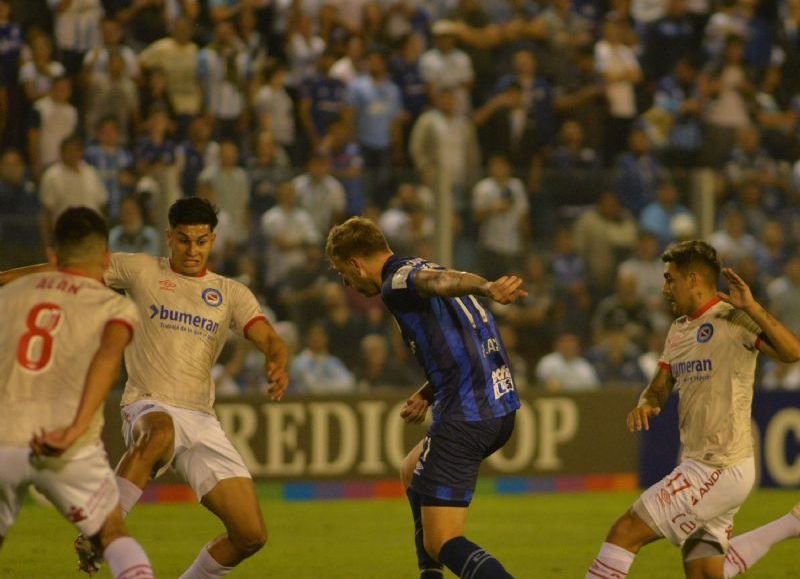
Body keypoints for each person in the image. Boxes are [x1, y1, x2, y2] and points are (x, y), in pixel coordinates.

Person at [0, 197, 289, 578]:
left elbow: (269, 337)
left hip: (201, 419)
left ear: (213, 241)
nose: (192, 249)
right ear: (169, 237)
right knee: (159, 431)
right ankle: (99, 532)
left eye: (201, 241)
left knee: (250, 535)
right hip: (148, 404)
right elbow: (66, 270)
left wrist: (277, 360)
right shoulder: (139, 269)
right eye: (184, 240)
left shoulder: (231, 293)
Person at [585, 240, 800, 579]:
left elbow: (792, 352)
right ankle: (791, 524)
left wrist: (755, 309)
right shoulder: (679, 330)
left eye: (670, 279)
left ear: (694, 280)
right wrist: (646, 403)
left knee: (625, 532)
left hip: (718, 464)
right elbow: (658, 388)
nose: (664, 288)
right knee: (702, 572)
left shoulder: (735, 318)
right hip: (708, 464)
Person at [326, 216, 526, 579]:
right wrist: (428, 391)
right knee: (410, 471)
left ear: (356, 263)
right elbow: (463, 338)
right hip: (498, 408)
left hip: (468, 416)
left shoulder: (397, 282)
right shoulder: (421, 265)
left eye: (344, 272)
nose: (346, 282)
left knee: (444, 542)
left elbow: (437, 282)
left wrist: (487, 287)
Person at [0, 207, 154, 579]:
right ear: (105, 257)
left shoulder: (10, 295)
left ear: (52, 255)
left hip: (2, 438)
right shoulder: (113, 305)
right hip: (68, 446)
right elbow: (107, 355)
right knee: (113, 535)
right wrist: (73, 428)